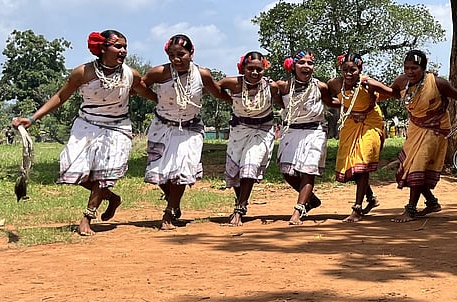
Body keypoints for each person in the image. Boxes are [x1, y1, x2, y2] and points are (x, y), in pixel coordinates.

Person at [11, 30, 155, 236]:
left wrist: (168, 104)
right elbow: (61, 96)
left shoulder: (131, 74)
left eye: (125, 47)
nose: (123, 51)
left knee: (105, 175)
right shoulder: (83, 72)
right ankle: (112, 198)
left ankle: (87, 217)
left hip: (117, 128)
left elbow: (144, 91)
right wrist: (33, 119)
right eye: (118, 46)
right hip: (86, 125)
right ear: (103, 48)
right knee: (71, 171)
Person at [142, 34, 230, 231]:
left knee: (181, 170)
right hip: (162, 127)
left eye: (181, 54)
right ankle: (174, 202)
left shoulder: (202, 74)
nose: (176, 59)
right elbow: (139, 86)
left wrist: (239, 103)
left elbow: (216, 91)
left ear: (191, 53)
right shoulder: (159, 73)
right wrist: (156, 98)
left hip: (190, 129)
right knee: (161, 174)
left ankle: (169, 212)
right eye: (172, 55)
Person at [388, 49, 457, 222]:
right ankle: (431, 202)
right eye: (407, 68)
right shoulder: (402, 82)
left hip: (435, 130)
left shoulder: (438, 83)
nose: (410, 72)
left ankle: (411, 209)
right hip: (415, 129)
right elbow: (391, 93)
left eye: (414, 68)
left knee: (417, 165)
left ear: (423, 68)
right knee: (410, 168)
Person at [217, 52, 280, 226]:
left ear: (264, 69)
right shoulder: (233, 83)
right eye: (250, 68)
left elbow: (281, 101)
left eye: (259, 69)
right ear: (242, 68)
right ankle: (241, 201)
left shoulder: (271, 86)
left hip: (262, 130)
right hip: (239, 130)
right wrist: (228, 99)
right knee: (236, 170)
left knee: (250, 165)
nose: (254, 73)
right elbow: (216, 88)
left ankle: (240, 208)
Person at [328, 52, 388, 222]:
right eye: (344, 69)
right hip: (350, 124)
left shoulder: (368, 83)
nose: (348, 73)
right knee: (352, 168)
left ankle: (357, 208)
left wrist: (373, 100)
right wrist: (348, 110)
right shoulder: (335, 84)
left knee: (362, 164)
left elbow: (393, 92)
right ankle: (371, 198)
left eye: (352, 70)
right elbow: (326, 98)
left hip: (371, 123)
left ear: (360, 69)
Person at [277, 52, 332, 225]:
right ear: (293, 66)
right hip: (291, 130)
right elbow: (279, 101)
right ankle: (312, 200)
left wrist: (357, 105)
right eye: (302, 62)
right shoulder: (283, 86)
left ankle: (298, 210)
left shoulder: (320, 86)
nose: (306, 66)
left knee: (308, 170)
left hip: (314, 131)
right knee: (287, 172)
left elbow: (331, 102)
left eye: (310, 63)